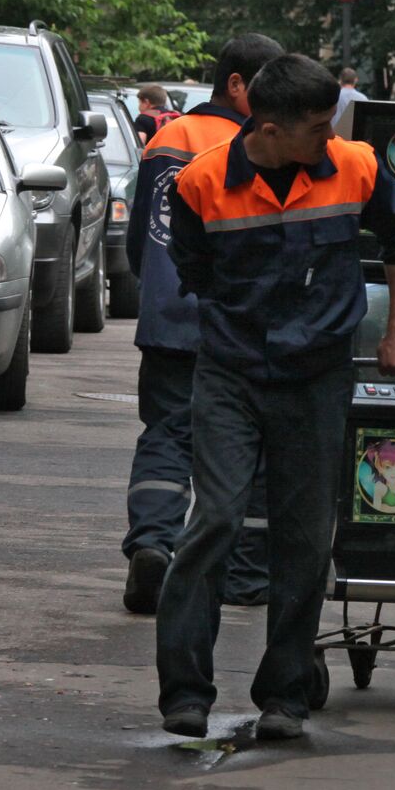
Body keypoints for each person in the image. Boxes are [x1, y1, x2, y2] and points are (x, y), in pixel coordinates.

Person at [157, 53, 395, 740]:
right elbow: (194, 269)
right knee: (214, 520)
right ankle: (186, 692)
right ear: (269, 129)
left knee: (305, 539)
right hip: (231, 374)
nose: (328, 139)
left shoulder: (356, 166)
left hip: (317, 376)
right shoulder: (200, 183)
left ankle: (284, 696)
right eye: (316, 127)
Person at [122, 33, 284, 615]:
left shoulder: (171, 137)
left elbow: (142, 239)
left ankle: (152, 545)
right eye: (267, 87)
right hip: (241, 326)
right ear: (236, 84)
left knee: (166, 433)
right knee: (255, 447)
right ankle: (245, 575)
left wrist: (158, 293)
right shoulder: (263, 143)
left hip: (169, 321)